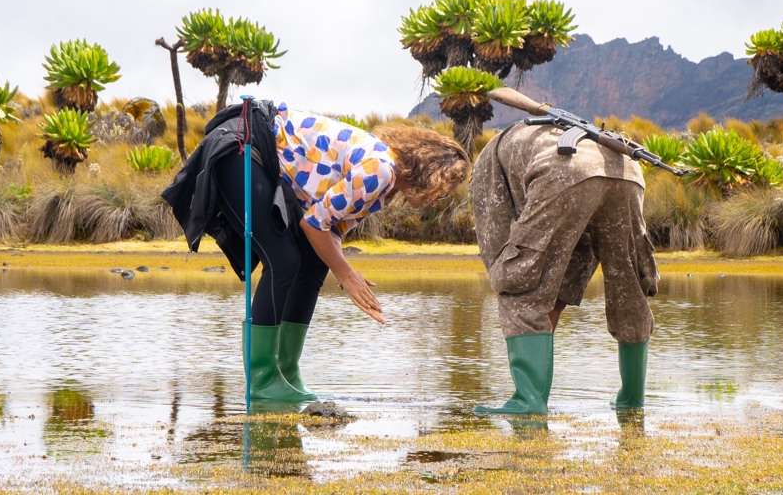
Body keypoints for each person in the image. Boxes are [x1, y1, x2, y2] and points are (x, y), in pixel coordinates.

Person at [163, 100, 470, 401]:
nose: (435, 201)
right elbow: (313, 225)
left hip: (264, 159)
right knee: (282, 261)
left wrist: (347, 273)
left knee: (312, 263)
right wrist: (346, 275)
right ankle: (263, 379)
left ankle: (286, 370)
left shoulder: (386, 189)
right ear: (429, 173)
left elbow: (331, 231)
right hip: (243, 147)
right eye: (441, 192)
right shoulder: (381, 171)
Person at [470, 121, 660, 414]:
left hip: (565, 170)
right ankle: (631, 399)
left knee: (519, 281)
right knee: (629, 284)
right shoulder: (534, 139)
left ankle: (528, 400)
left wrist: (517, 279)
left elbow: (498, 240)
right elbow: (572, 244)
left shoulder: (486, 164)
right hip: (625, 167)